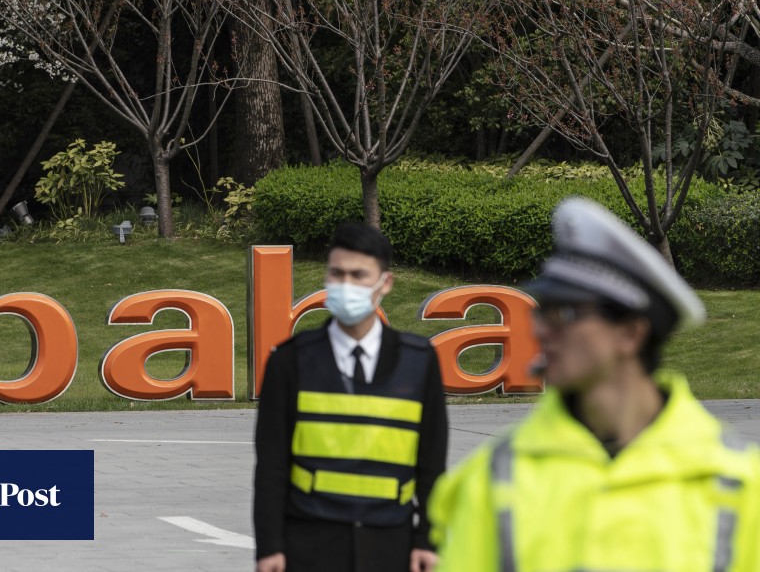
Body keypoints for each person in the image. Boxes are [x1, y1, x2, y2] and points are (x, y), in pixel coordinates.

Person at [429, 197, 760, 571]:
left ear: (631, 333)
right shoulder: (491, 477)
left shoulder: (736, 481)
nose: (540, 330)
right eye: (542, 312)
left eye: (564, 313)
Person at [254, 222, 448, 572]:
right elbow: (271, 464)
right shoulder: (290, 360)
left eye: (359, 275)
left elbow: (432, 464)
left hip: (392, 543)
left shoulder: (419, 361)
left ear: (385, 283)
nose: (346, 285)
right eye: (337, 274)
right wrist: (269, 547)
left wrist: (428, 540)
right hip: (309, 543)